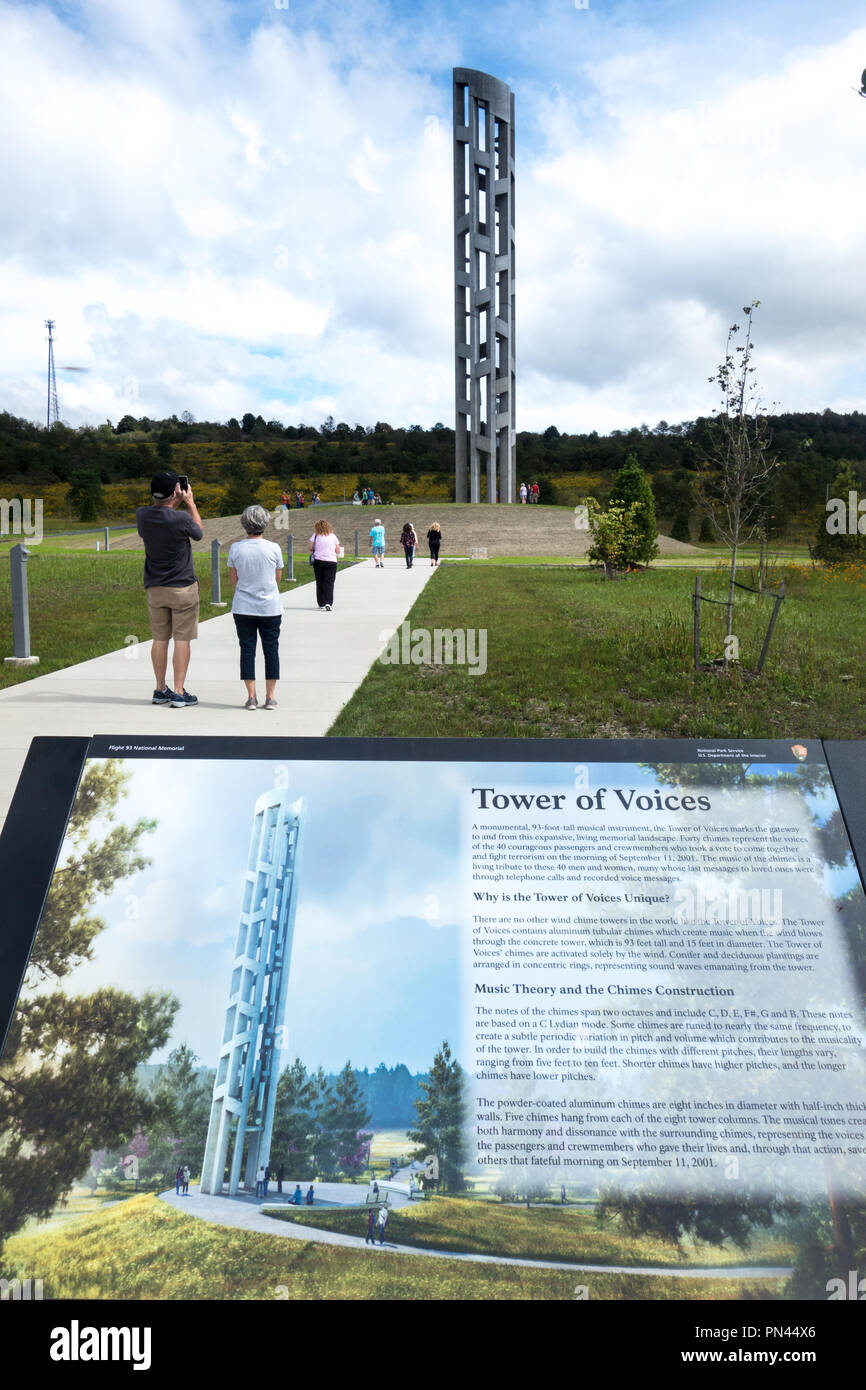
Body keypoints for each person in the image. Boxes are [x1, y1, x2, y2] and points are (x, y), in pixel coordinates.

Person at [136, 471, 204, 708]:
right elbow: (198, 533)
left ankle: (160, 688)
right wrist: (190, 502)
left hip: (155, 586)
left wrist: (173, 501)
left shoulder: (142, 515)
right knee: (182, 639)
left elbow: (160, 515)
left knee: (160, 638)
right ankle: (177, 691)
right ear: (176, 491)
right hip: (182, 587)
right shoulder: (181, 519)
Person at [227, 505, 283, 711]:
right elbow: (277, 579)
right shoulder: (274, 548)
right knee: (271, 650)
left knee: (247, 650)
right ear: (265, 523)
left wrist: (245, 591)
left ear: (244, 523)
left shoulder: (236, 548)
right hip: (270, 607)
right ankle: (270, 696)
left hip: (243, 607)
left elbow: (234, 579)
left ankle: (251, 697)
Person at [309, 518, 341, 611]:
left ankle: (321, 603)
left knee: (320, 582)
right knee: (329, 583)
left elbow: (310, 548)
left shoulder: (315, 536)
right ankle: (328, 603)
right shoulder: (333, 536)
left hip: (318, 561)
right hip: (331, 562)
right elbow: (338, 550)